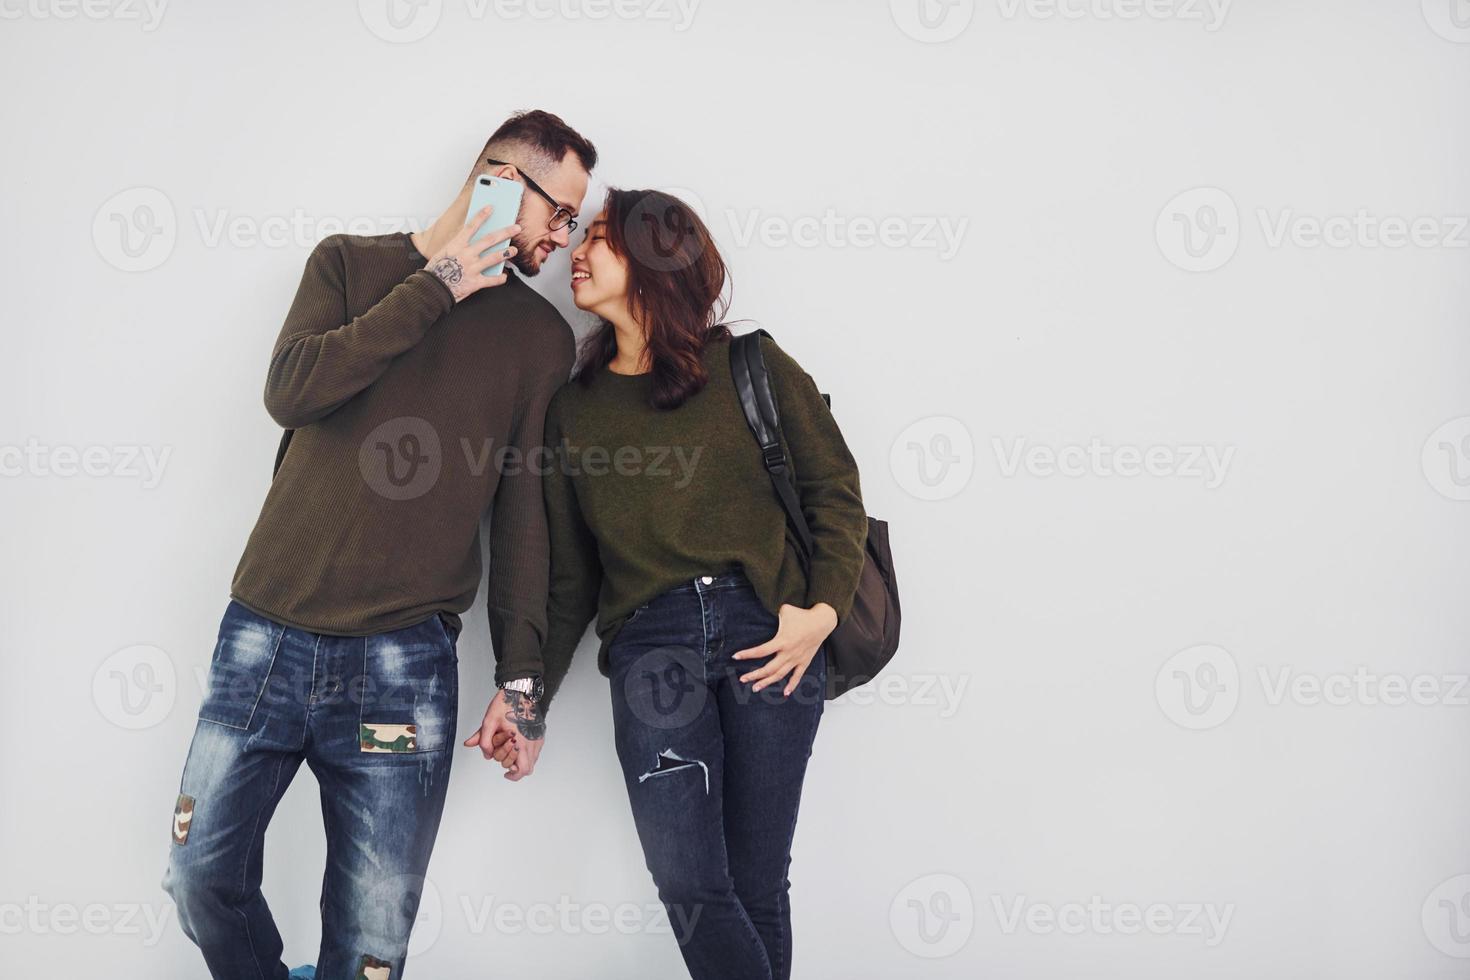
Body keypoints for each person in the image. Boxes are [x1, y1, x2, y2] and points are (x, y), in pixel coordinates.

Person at [162, 110, 597, 980]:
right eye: (561, 212)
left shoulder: (539, 339)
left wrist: (524, 684)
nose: (563, 236)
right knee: (198, 875)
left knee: (370, 947)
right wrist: (438, 284)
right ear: (503, 178)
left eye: (574, 224)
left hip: (402, 669)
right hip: (266, 637)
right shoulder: (348, 265)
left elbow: (521, 523)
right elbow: (291, 390)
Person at [532, 188, 868, 980]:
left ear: (654, 258)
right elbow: (574, 579)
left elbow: (835, 494)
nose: (578, 250)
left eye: (602, 239)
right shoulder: (573, 411)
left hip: (772, 634)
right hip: (654, 649)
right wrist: (528, 693)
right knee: (688, 881)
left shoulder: (750, 365)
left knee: (757, 880)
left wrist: (822, 612)